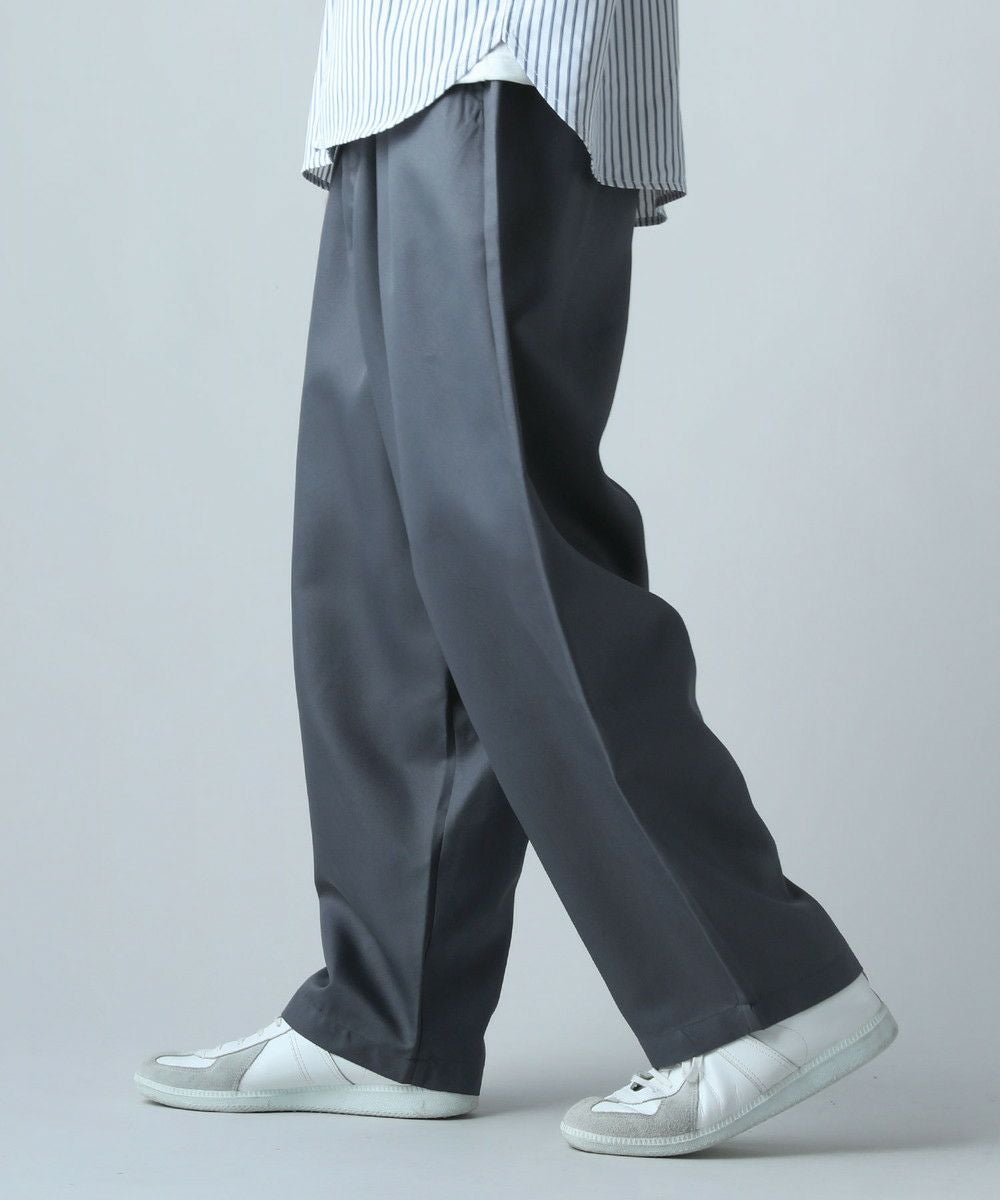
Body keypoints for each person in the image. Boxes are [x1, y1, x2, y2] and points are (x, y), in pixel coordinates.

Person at [134, 2, 896, 1157]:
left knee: (502, 540)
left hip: (501, 51)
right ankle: (389, 1017)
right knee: (377, 557)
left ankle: (764, 987)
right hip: (387, 66)